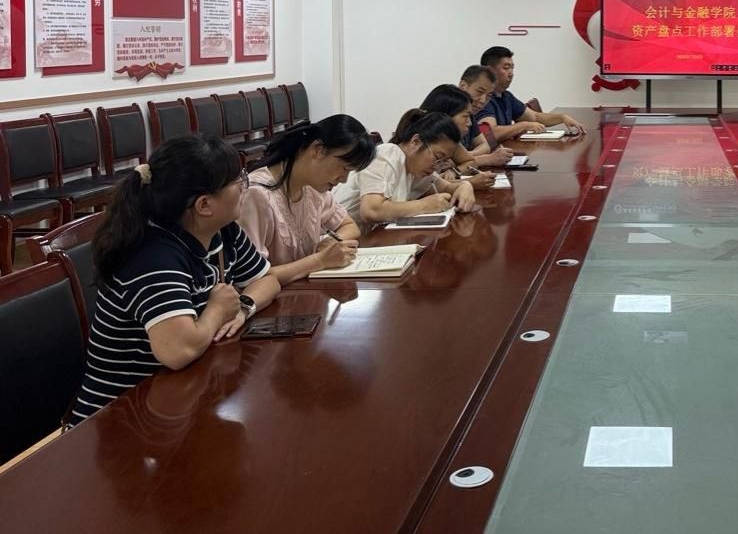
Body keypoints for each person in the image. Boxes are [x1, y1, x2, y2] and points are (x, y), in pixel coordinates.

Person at [70, 134, 281, 424]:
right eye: (238, 181)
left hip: (180, 399)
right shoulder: (152, 257)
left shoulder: (222, 231)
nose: (245, 186)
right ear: (204, 205)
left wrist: (243, 307)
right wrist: (217, 311)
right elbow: (178, 350)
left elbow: (268, 280)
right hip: (120, 418)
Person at [238, 115, 376, 283]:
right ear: (317, 149)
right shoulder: (257, 195)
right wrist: (320, 261)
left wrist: (330, 243)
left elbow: (349, 226)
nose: (344, 179)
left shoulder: (313, 188)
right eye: (344, 168)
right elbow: (253, 278)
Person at [334, 110, 475, 226]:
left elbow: (447, 187)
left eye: (443, 161)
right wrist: (424, 205)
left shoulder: (415, 170)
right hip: (338, 238)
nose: (437, 167)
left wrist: (465, 186)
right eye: (438, 157)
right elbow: (371, 210)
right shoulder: (386, 154)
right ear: (416, 142)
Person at [476, 45, 585, 141]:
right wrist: (523, 125)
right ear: (490, 71)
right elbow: (490, 134)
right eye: (506, 68)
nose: (511, 73)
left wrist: (562, 118)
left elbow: (535, 117)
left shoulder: (506, 96)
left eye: (512, 68)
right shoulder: (483, 99)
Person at [407, 86, 497, 188]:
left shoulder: (447, 140)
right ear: (445, 117)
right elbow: (422, 188)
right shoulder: (420, 142)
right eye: (465, 116)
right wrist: (470, 182)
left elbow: (471, 162)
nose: (470, 123)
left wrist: (454, 171)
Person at [458, 64, 515, 167]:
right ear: (463, 86)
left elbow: (485, 146)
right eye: (480, 92)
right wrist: (487, 159)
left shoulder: (470, 114)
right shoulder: (447, 115)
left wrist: (466, 157)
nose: (483, 101)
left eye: (489, 95)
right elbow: (450, 165)